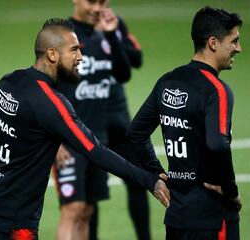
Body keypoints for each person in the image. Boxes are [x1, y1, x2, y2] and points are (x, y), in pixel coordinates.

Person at [0, 18, 170, 240]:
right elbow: (95, 150)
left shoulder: (11, 80)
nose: (80, 57)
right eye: (74, 50)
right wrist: (149, 180)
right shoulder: (50, 102)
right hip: (12, 219)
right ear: (52, 54)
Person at [127, 6, 243, 240]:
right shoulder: (217, 90)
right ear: (213, 43)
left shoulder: (168, 81)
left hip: (177, 216)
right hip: (212, 216)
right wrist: (230, 191)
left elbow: (136, 133)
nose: (238, 49)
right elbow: (218, 144)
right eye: (234, 41)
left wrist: (157, 172)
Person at [50, 1, 139, 239]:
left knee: (88, 210)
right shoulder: (61, 35)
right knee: (73, 209)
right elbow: (45, 89)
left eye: (103, 2)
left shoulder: (105, 34)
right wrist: (54, 139)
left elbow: (124, 73)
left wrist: (111, 36)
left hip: (96, 139)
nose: (97, 7)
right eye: (92, 1)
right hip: (69, 140)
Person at [89, 9, 151, 240]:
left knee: (137, 182)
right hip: (90, 124)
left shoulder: (115, 23)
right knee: (91, 194)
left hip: (118, 120)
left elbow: (136, 59)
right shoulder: (74, 33)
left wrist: (113, 34)